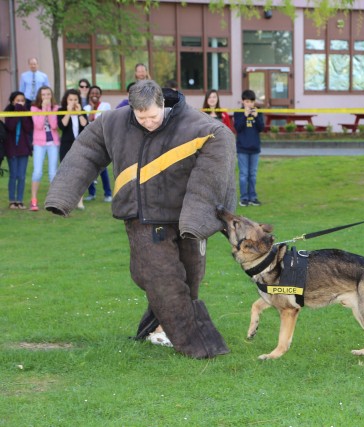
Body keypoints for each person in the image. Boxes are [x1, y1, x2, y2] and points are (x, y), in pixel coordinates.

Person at [45, 79, 237, 359]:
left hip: (185, 216)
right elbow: (84, 154)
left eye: (153, 116)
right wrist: (62, 197)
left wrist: (197, 220)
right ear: (131, 109)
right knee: (163, 278)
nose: (148, 122)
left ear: (163, 104)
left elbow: (211, 177)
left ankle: (156, 326)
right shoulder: (112, 122)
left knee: (190, 278)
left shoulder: (203, 128)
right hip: (141, 216)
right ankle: (200, 345)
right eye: (141, 117)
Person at [29, 86, 59, 211]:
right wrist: (43, 109)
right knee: (37, 172)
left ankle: (54, 201)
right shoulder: (34, 108)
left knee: (53, 173)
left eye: (48, 94)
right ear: (39, 96)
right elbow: (39, 125)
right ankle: (34, 200)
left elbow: (53, 125)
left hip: (53, 143)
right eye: (43, 95)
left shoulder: (56, 108)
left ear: (51, 96)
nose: (46, 97)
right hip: (39, 143)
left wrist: (48, 109)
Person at [233, 89, 264, 207]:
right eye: (246, 101)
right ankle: (244, 198)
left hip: (255, 148)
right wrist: (245, 116)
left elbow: (261, 128)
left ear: (254, 102)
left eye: (251, 101)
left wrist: (256, 117)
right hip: (242, 148)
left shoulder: (258, 112)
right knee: (243, 174)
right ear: (242, 101)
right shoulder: (238, 113)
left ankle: (253, 197)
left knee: (253, 174)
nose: (249, 104)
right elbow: (238, 128)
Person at [58, 88, 88, 210]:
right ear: (66, 100)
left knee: (80, 174)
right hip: (66, 146)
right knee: (66, 174)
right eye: (70, 99)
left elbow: (85, 125)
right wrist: (69, 112)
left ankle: (79, 200)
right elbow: (62, 125)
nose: (73, 101)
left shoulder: (82, 111)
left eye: (75, 99)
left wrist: (79, 112)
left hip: (80, 146)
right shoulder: (61, 111)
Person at [3, 91, 33, 209]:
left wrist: (23, 113)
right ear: (12, 102)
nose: (20, 103)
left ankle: (19, 200)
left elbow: (28, 128)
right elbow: (10, 127)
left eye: (22, 100)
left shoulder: (27, 113)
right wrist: (17, 112)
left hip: (23, 149)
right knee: (13, 175)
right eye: (18, 100)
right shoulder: (9, 113)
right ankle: (12, 200)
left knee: (21, 176)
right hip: (11, 149)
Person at [83, 85, 112, 202]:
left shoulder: (106, 106)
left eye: (97, 93)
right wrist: (92, 107)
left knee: (102, 168)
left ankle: (108, 193)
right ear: (89, 95)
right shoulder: (85, 108)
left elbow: (105, 121)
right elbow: (88, 121)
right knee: (89, 167)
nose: (94, 95)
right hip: (89, 140)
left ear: (100, 95)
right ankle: (91, 193)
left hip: (102, 140)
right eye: (92, 93)